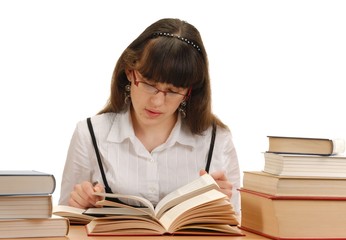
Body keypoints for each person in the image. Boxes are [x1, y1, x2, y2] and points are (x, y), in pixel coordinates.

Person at [58, 18, 241, 215]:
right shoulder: (90, 133)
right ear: (130, 72)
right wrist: (78, 205)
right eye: (149, 84)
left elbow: (236, 226)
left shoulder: (218, 139)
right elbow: (65, 222)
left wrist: (222, 208)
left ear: (189, 91)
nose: (157, 102)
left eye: (172, 91)